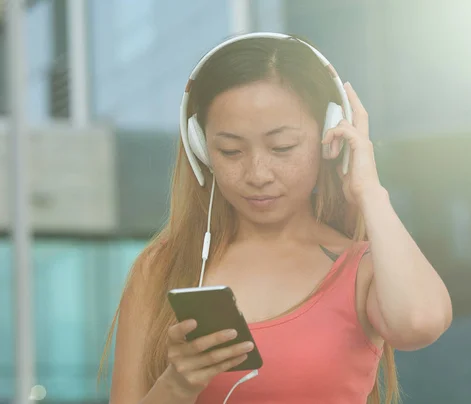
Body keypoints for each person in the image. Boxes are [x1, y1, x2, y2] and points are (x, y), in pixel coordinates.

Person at [100, 33, 452, 404]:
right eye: (231, 150)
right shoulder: (162, 269)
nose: (258, 173)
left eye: (282, 147)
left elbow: (419, 324)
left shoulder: (361, 268)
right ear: (201, 149)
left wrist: (368, 191)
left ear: (329, 136)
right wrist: (178, 384)